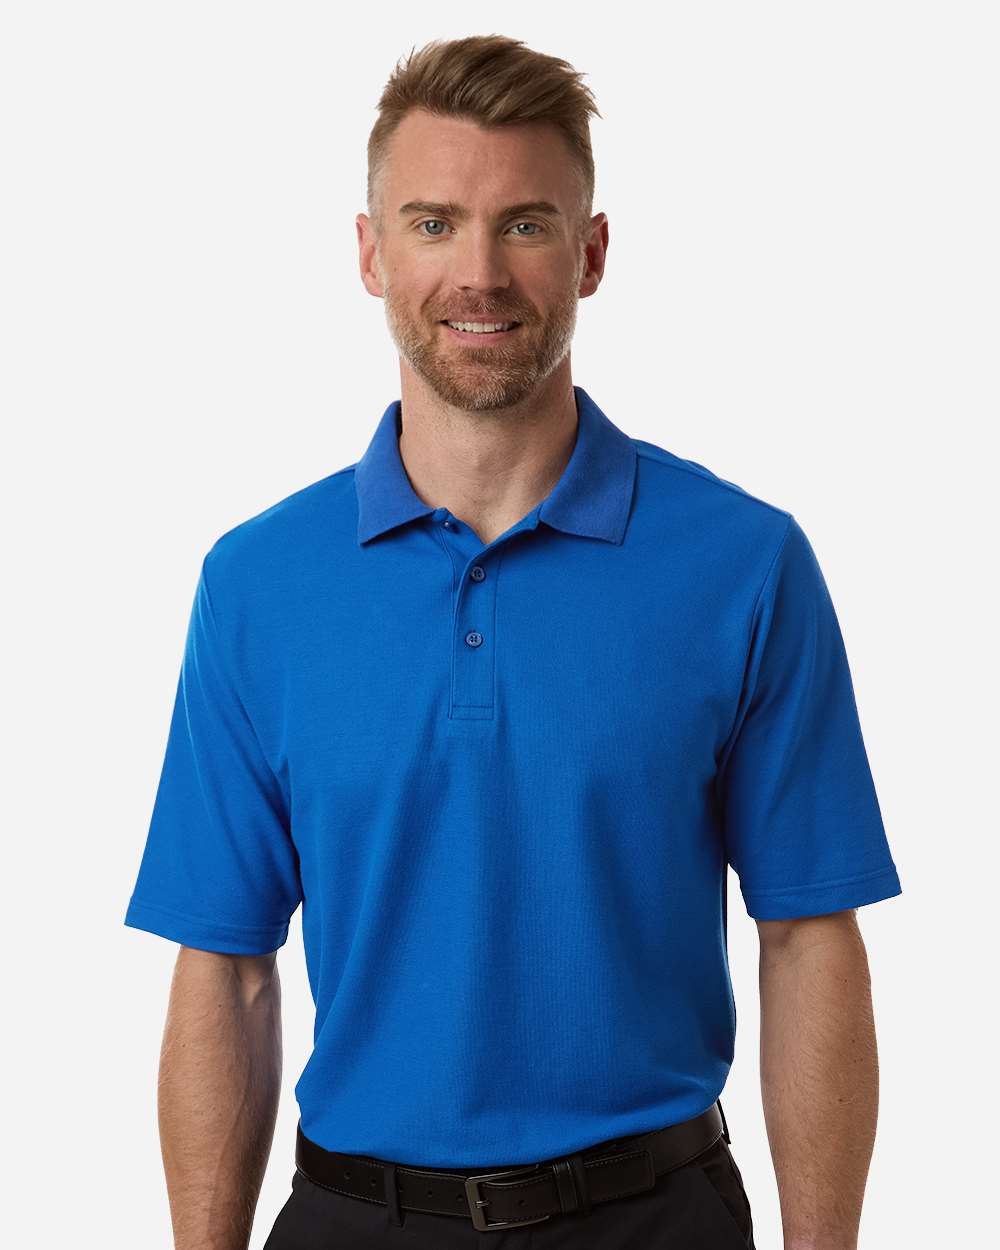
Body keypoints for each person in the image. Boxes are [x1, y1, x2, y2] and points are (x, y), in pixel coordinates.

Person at [124, 33, 903, 1250]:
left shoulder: (743, 563)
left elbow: (807, 936)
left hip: (657, 1219)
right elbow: (225, 966)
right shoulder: (257, 584)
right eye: (433, 223)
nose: (478, 274)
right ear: (371, 252)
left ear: (590, 253)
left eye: (525, 224)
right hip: (354, 1220)